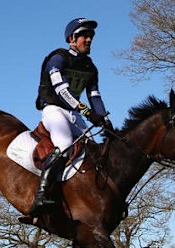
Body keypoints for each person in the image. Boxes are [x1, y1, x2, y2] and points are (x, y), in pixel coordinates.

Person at [28, 18, 111, 217]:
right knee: (64, 144)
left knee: (93, 149)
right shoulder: (57, 59)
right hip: (53, 109)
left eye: (90, 36)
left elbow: (94, 96)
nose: (89, 39)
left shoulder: (90, 67)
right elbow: (62, 91)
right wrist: (88, 113)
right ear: (72, 38)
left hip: (74, 113)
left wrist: (105, 120)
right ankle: (41, 195)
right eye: (84, 35)